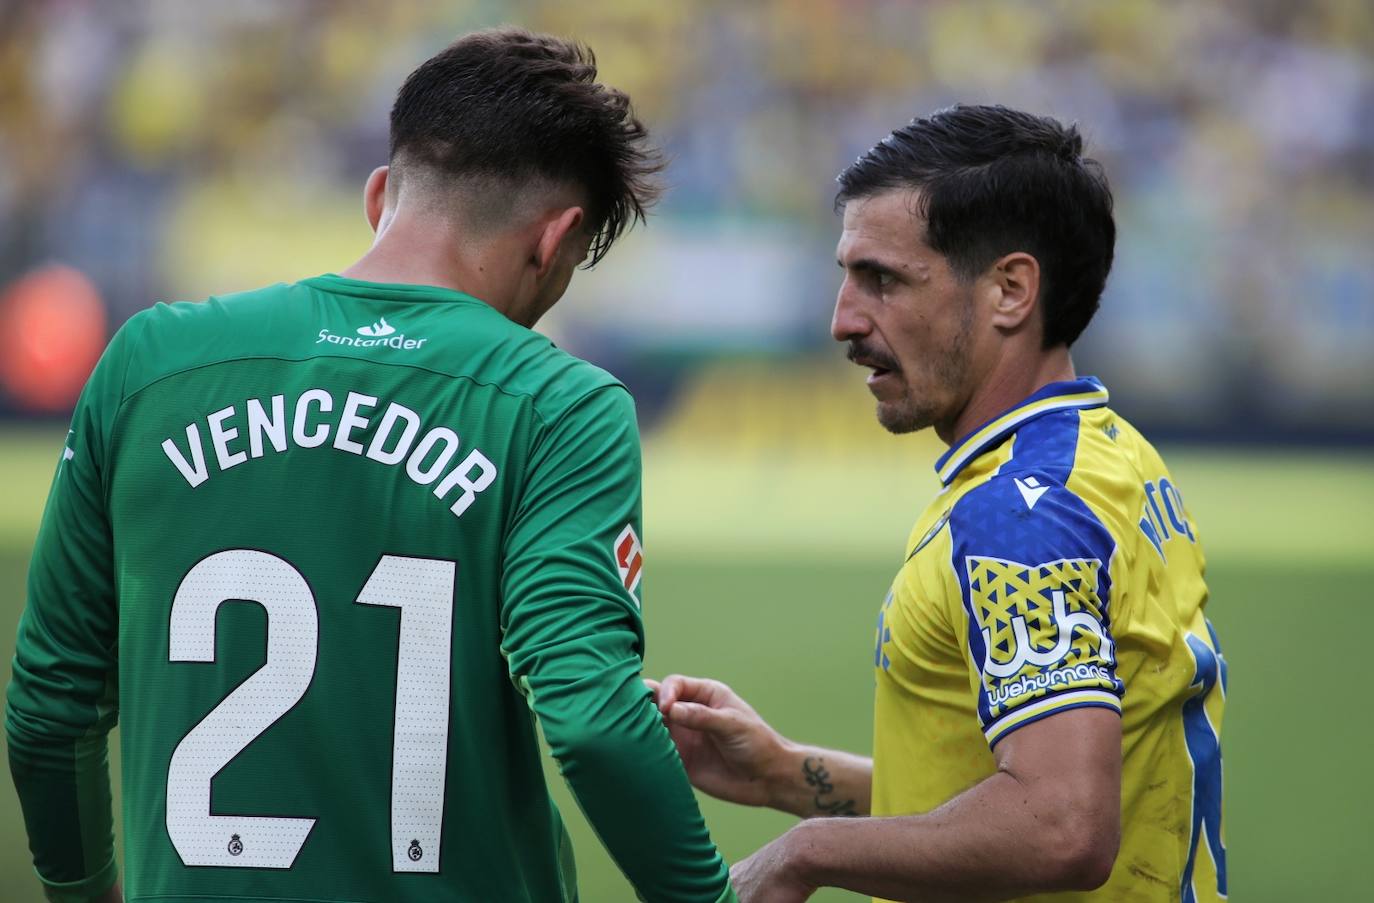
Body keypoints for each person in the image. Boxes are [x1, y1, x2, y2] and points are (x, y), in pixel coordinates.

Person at [6, 28, 737, 903]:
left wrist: (83, 892)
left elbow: (51, 704)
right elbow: (592, 718)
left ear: (380, 193)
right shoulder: (559, 405)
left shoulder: (151, 362)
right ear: (557, 240)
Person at [652, 105, 1226, 902]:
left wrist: (807, 851)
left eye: (882, 279)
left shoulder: (1018, 514)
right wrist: (789, 772)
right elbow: (1017, 785)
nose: (842, 321)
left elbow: (1060, 824)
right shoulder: (1104, 457)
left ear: (1010, 290)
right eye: (847, 277)